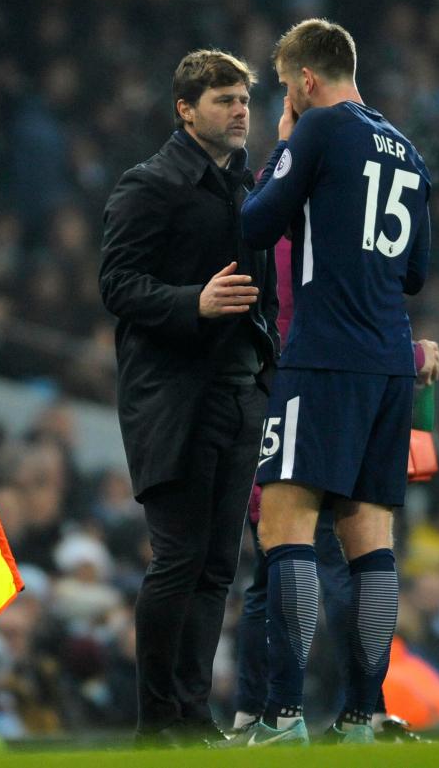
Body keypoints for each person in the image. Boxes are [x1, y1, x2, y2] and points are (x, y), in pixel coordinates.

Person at [236, 19, 432, 745]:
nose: (287, 101)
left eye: (288, 90)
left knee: (283, 524)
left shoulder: (317, 131)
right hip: (390, 362)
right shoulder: (408, 149)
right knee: (371, 542)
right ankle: (362, 712)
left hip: (322, 356)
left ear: (306, 82)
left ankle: (283, 713)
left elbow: (256, 225)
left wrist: (287, 146)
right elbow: (415, 273)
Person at [99, 49, 280, 746]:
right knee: (178, 556)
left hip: (240, 395)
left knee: (215, 566)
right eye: (223, 99)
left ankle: (193, 717)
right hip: (175, 397)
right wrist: (193, 302)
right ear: (185, 108)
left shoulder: (248, 188)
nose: (240, 110)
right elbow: (116, 284)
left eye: (243, 99)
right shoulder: (149, 184)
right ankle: (156, 723)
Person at [232, 226, 439, 740]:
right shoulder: (337, 210)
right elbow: (339, 315)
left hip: (295, 397)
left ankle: (266, 714)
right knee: (353, 561)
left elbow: (303, 317)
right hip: (334, 393)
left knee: (281, 562)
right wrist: (411, 357)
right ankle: (360, 712)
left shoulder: (287, 212)